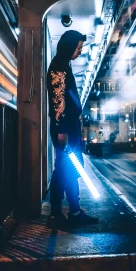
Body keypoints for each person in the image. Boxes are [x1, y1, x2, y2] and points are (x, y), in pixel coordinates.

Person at [46, 29, 99, 229]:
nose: (79, 52)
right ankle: (65, 213)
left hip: (67, 128)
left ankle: (63, 213)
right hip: (65, 130)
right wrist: (61, 130)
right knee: (65, 170)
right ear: (69, 46)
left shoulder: (63, 65)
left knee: (65, 170)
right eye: (78, 48)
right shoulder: (59, 67)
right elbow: (58, 100)